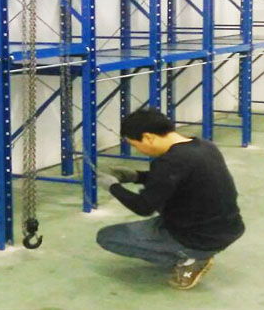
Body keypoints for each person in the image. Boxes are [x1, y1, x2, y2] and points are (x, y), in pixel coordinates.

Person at [96, 108, 245, 290]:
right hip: (227, 227)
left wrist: (113, 187)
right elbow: (175, 179)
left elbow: (143, 207)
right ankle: (193, 252)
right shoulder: (205, 146)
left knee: (108, 237)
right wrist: (137, 176)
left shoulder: (169, 162)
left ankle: (191, 259)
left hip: (198, 236)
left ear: (148, 137)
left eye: (135, 145)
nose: (138, 150)